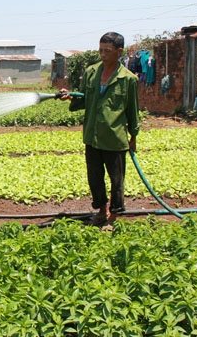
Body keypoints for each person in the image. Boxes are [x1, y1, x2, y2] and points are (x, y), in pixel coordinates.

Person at [59, 32, 139, 227]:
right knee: (95, 178)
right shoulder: (91, 73)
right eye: (100, 50)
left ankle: (113, 216)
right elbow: (85, 99)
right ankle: (101, 212)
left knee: (116, 180)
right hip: (92, 136)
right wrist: (71, 97)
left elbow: (132, 110)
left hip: (114, 138)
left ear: (119, 52)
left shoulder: (128, 80)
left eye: (108, 51)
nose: (102, 54)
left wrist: (133, 136)